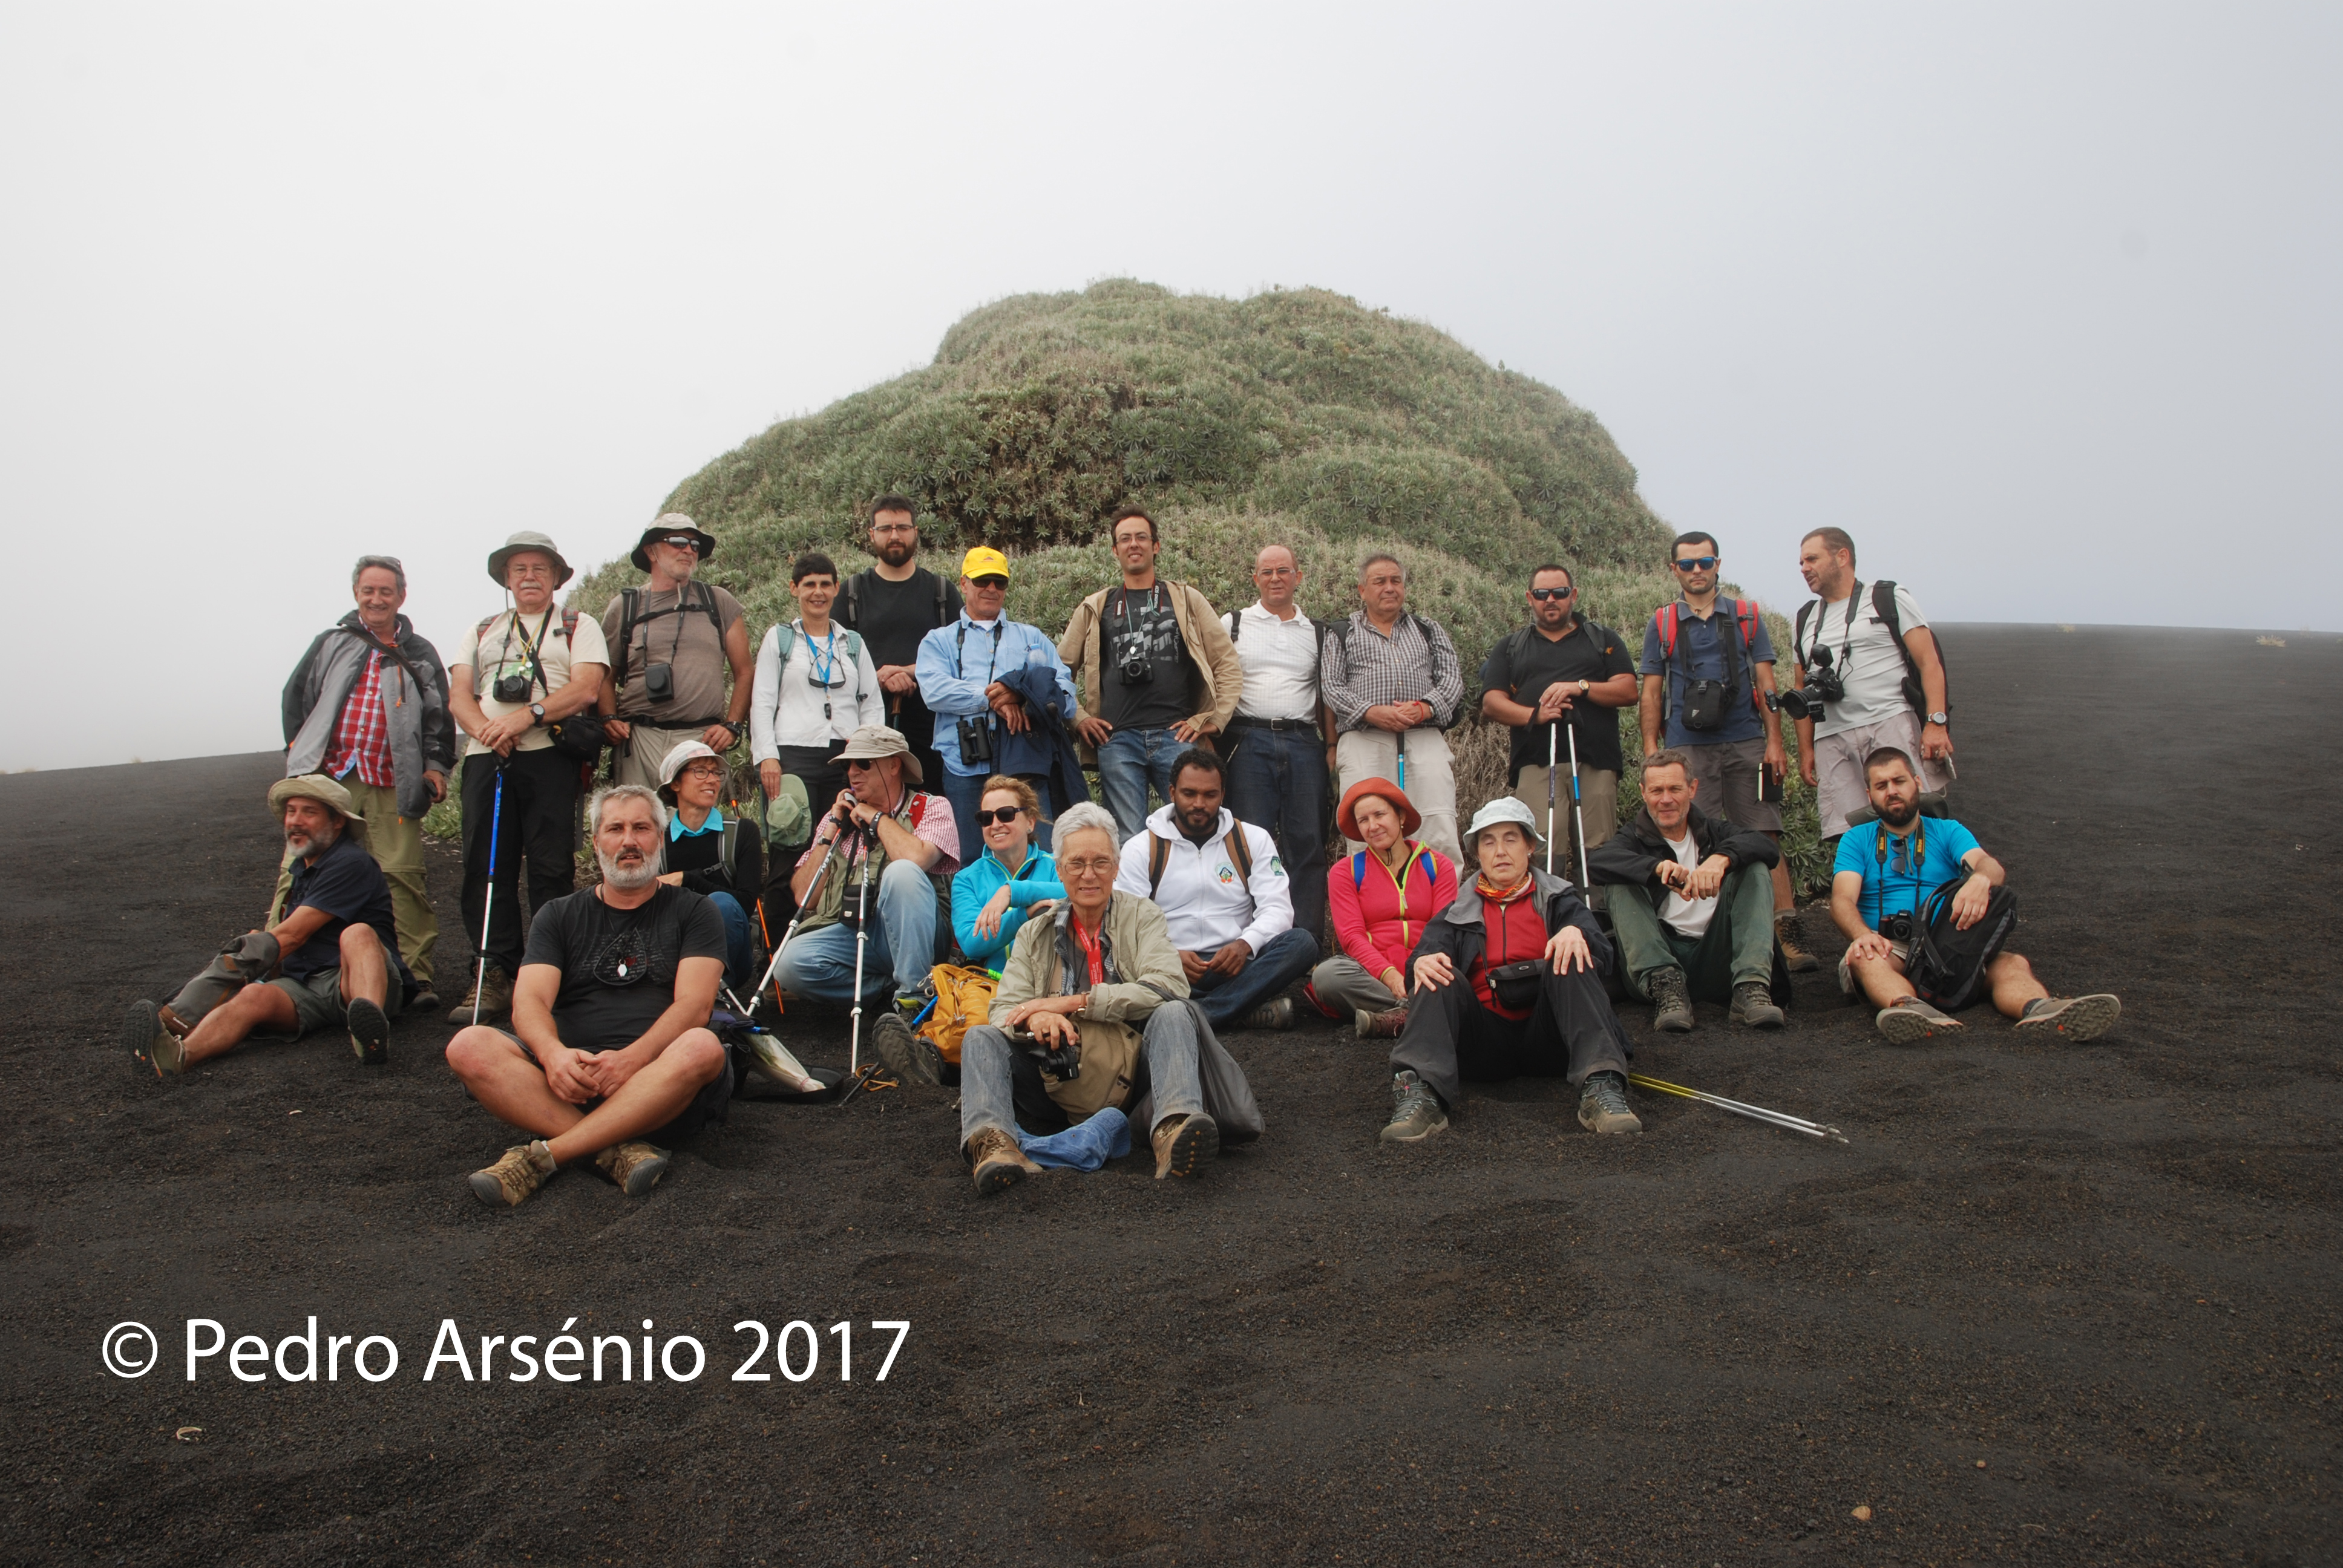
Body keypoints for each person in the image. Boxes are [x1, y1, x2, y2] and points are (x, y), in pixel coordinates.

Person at [445, 785, 733, 1209]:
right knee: (468, 1045)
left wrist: (631, 1060)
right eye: (615, 829)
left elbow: (695, 1006)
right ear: (596, 842)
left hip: (655, 1080)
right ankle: (614, 1150)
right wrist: (553, 1056)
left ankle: (549, 1155)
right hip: (565, 1081)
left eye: (641, 828)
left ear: (659, 835)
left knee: (703, 1046)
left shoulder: (694, 911)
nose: (629, 841)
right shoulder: (559, 915)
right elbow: (528, 1002)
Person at [955, 802, 1221, 1194]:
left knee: (1175, 1013)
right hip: (1054, 1082)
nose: (1089, 875)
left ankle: (1172, 1129)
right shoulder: (1034, 933)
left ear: (1116, 867)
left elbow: (1169, 984)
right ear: (1059, 871)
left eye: (1101, 862)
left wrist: (1069, 1004)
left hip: (1137, 1081)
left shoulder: (1143, 916)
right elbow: (1002, 1012)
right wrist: (1034, 1020)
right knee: (980, 1038)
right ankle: (995, 1146)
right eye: (1077, 864)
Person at [1381, 799, 1641, 1145]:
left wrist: (1576, 933)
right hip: (1482, 1044)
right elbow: (1421, 960)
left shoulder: (1560, 898)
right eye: (1488, 842)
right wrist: (1421, 964)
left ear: (1530, 847)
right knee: (1435, 971)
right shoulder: (1456, 910)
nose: (1500, 851)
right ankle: (1421, 1094)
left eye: (1511, 839)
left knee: (1573, 951)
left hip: (1555, 1038)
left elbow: (1604, 954)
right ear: (1478, 853)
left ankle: (1601, 1086)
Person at [123, 776, 412, 1074]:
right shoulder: (303, 869)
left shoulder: (350, 862)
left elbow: (292, 936)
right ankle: (179, 1056)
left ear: (338, 822)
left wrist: (239, 964)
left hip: (356, 981)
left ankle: (370, 1032)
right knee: (253, 996)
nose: (295, 822)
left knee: (357, 933)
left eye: (309, 812)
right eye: (291, 811)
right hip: (309, 986)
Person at [1830, 748, 2120, 1045]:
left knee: (2012, 964)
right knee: (1864, 959)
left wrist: (1980, 879)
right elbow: (1842, 899)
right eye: (1881, 786)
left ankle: (2042, 1010)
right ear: (1869, 794)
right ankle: (1911, 1011)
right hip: (1887, 948)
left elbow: (1989, 864)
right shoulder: (1857, 839)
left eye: (1899, 781)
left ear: (1917, 782)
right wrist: (1861, 935)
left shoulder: (1947, 831)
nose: (1892, 791)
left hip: (1947, 944)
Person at [447, 531, 609, 1023]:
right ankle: (493, 971)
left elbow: (585, 688)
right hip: (486, 758)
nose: (530, 577)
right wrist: (488, 732)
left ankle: (550, 969)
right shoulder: (481, 630)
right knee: (485, 866)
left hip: (549, 759)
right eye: (520, 569)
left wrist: (526, 717)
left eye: (541, 568)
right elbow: (459, 696)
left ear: (557, 576)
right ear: (506, 578)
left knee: (550, 867)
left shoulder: (578, 625)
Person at [280, 554, 456, 1007]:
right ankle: (275, 967)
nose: (377, 599)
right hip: (328, 777)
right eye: (368, 590)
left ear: (401, 595)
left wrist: (435, 766)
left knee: (402, 876)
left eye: (386, 591)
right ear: (356, 593)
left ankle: (414, 977)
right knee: (297, 872)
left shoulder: (419, 652)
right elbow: (296, 698)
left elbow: (439, 715)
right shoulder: (331, 643)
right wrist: (300, 762)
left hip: (391, 780)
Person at [1636, 532, 1813, 970]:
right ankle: (1713, 935)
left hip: (1746, 741)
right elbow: (1652, 692)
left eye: (1705, 562)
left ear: (1718, 565)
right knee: (1694, 840)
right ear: (1673, 569)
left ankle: (1784, 930)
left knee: (1763, 832)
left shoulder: (1748, 617)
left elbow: (1767, 684)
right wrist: (1651, 750)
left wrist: (1775, 743)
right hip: (1687, 747)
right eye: (1688, 564)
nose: (1697, 570)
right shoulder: (1661, 623)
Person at [769, 725, 959, 1056]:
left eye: (863, 764)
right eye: (847, 766)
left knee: (901, 872)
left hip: (922, 936)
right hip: (856, 935)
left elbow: (916, 859)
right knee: (786, 963)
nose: (852, 773)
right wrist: (830, 831)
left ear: (894, 765)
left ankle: (915, 999)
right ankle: (891, 991)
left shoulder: (931, 807)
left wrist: (876, 818)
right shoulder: (839, 819)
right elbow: (805, 897)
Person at [1061, 506, 1244, 837]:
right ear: (1115, 550)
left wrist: (1211, 721)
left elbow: (1226, 664)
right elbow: (1059, 671)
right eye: (1125, 539)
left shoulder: (1186, 599)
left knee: (1196, 829)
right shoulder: (1096, 606)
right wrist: (1079, 717)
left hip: (1178, 736)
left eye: (1142, 537)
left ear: (1155, 546)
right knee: (1129, 838)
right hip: (1116, 739)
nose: (1134, 544)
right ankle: (1138, 893)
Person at [1113, 748, 1317, 1031]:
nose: (1199, 803)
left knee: (1301, 943)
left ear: (1223, 795)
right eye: (1189, 794)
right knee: (1116, 956)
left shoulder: (1252, 840)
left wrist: (1246, 944)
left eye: (1210, 795)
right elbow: (1127, 921)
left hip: (1236, 966)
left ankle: (1194, 1015)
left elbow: (1278, 908)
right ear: (1172, 792)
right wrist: (1167, 953)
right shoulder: (1141, 848)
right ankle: (1237, 1009)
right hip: (1169, 968)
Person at [1585, 750, 1785, 1032]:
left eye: (1675, 789)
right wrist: (1655, 869)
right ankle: (1667, 988)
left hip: (1719, 960)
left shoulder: (1716, 832)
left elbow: (1766, 846)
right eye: (1657, 790)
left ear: (1692, 789)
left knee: (1755, 868)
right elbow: (1598, 863)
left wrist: (1722, 859)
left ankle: (1751, 987)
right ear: (1643, 793)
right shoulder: (1632, 839)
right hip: (1658, 963)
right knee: (1619, 881)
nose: (1666, 799)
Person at [1479, 563, 1636, 896]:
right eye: (1542, 594)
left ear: (1573, 595)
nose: (1551, 600)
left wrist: (1579, 687)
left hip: (1595, 761)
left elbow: (1627, 690)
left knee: (1597, 850)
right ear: (1530, 598)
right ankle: (1544, 921)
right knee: (1543, 850)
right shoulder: (1511, 646)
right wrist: (1536, 715)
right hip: (1537, 762)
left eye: (1560, 593)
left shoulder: (1603, 639)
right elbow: (1492, 702)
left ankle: (1600, 928)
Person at [1790, 528, 1956, 838]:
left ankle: (1925, 884)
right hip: (1832, 738)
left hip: (1889, 723)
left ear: (1842, 557)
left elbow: (1929, 662)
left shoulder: (1886, 597)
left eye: (1812, 559)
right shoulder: (1804, 619)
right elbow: (1801, 690)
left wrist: (1936, 723)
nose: (1804, 569)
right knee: (1850, 834)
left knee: (1912, 819)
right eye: (1801, 563)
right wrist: (1806, 750)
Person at [914, 546, 1079, 858]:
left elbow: (1066, 696)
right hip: (964, 769)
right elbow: (934, 691)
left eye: (999, 582)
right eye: (982, 580)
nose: (991, 588)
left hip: (1026, 766)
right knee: (971, 861)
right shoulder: (939, 641)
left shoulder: (1033, 638)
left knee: (1041, 856)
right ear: (963, 583)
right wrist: (994, 698)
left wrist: (1023, 694)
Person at [1322, 553, 1466, 865]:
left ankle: (1442, 912)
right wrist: (1371, 711)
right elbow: (1331, 687)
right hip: (1364, 740)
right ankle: (1373, 908)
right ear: (1362, 590)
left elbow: (1452, 680)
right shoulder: (1342, 632)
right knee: (1366, 830)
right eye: (1380, 581)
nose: (1389, 588)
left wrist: (1426, 708)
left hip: (1423, 737)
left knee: (1437, 824)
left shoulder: (1428, 629)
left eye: (1396, 581)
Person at [1222, 543, 1334, 942]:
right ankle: (1250, 943)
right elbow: (1212, 679)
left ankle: (1302, 947)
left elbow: (1327, 695)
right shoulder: (1233, 623)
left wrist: (1333, 745)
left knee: (1307, 844)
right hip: (1247, 741)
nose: (1275, 578)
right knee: (1248, 845)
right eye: (1266, 572)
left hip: (1304, 743)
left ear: (1298, 577)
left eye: (1283, 571)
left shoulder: (1318, 632)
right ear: (1255, 578)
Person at [597, 514, 753, 790]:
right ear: (651, 551)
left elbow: (744, 671)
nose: (689, 550)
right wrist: (609, 718)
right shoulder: (625, 606)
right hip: (639, 741)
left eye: (694, 545)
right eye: (678, 542)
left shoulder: (718, 601)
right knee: (639, 826)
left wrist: (733, 726)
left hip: (701, 740)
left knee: (698, 830)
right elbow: (605, 675)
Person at [750, 550, 886, 844]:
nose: (818, 592)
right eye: (809, 584)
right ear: (794, 588)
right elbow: (762, 701)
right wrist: (767, 757)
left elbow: (871, 702)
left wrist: (866, 748)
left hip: (845, 757)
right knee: (789, 839)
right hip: (793, 754)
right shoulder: (779, 639)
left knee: (842, 840)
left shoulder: (852, 643)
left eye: (825, 584)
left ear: (836, 589)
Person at [1309, 778, 1458, 1039]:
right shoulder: (1346, 871)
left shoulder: (1438, 865)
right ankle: (1417, 1012)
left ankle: (1396, 1017)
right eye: (1363, 820)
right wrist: (1391, 977)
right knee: (1327, 976)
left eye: (1380, 814)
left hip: (1425, 966)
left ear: (1400, 816)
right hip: (1372, 974)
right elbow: (1352, 939)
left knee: (1460, 971)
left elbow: (1442, 931)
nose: (1373, 826)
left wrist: (1416, 971)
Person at [837, 495, 962, 794]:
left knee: (929, 813)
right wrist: (879, 677)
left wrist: (909, 672)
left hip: (933, 734)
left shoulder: (941, 592)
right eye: (885, 528)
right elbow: (836, 659)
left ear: (916, 531)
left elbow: (961, 656)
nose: (894, 535)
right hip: (867, 730)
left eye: (903, 527)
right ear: (872, 534)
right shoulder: (852, 593)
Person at [654, 741, 764, 999]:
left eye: (716, 773)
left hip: (731, 955)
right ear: (675, 783)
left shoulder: (742, 832)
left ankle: (710, 997)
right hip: (673, 949)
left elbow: (747, 903)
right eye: (701, 771)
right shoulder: (657, 839)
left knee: (722, 904)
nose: (713, 780)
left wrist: (688, 880)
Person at [950, 776, 1064, 973]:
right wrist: (1024, 915)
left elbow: (1075, 891)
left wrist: (1012, 892)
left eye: (1005, 814)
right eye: (986, 818)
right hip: (991, 988)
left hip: (1053, 985)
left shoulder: (1056, 865)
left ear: (1030, 822)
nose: (995, 825)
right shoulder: (966, 879)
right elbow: (971, 941)